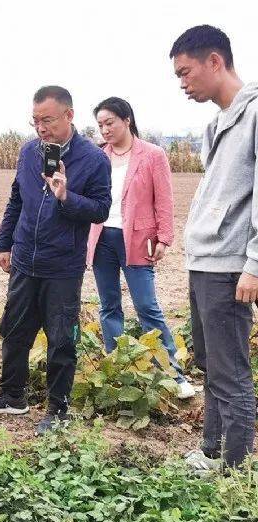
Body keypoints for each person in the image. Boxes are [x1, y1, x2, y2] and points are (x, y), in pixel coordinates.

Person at [0, 86, 112, 435]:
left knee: (62, 338)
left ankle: (58, 408)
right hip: (24, 258)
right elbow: (16, 200)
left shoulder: (94, 160)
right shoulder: (28, 153)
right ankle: (12, 395)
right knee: (15, 329)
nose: (41, 128)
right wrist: (4, 244)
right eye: (35, 121)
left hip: (62, 265)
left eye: (47, 120)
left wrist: (66, 196)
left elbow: (100, 210)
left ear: (69, 115)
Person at [169, 25, 258, 472]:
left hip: (230, 265)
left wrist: (255, 264)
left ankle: (237, 468)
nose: (182, 83)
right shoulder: (215, 123)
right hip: (204, 259)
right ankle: (211, 450)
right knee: (209, 362)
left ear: (215, 62)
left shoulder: (255, 113)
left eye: (186, 72)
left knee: (231, 372)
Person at [87, 97, 195, 400]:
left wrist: (164, 237)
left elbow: (164, 199)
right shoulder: (99, 156)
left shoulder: (152, 155)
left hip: (137, 239)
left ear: (127, 120)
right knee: (109, 306)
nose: (105, 130)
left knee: (147, 306)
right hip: (102, 238)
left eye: (110, 123)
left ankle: (173, 372)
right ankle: (118, 368)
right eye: (100, 125)